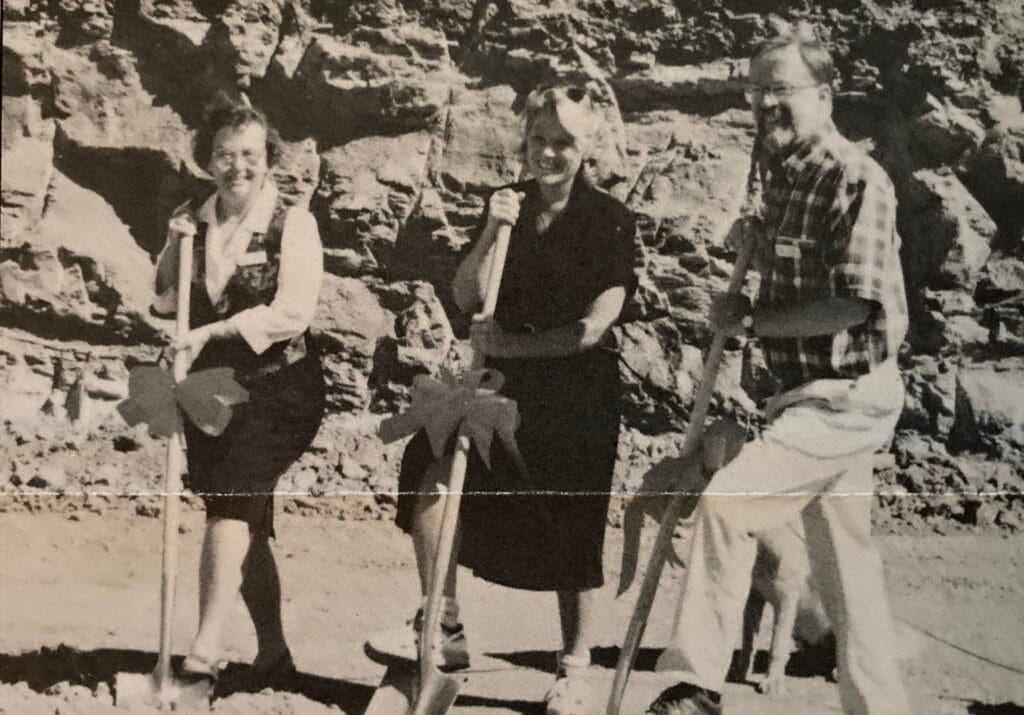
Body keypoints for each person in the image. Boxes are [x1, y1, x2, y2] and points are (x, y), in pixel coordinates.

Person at [645, 22, 913, 715]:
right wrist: (761, 247)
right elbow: (807, 273)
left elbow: (853, 304)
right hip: (803, 396)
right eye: (757, 91)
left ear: (824, 94)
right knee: (848, 575)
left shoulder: (856, 178)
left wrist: (751, 321)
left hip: (845, 398)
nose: (767, 105)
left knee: (729, 505)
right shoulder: (787, 177)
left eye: (782, 90)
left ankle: (695, 686)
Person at [366, 84, 639, 713]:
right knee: (430, 457)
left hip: (577, 395)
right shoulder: (508, 206)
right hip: (504, 387)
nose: (548, 153)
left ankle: (576, 668)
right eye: (539, 139)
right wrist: (492, 229)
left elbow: (593, 328)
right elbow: (467, 296)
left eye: (563, 142)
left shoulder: (608, 219)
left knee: (573, 524)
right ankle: (441, 622)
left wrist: (512, 345)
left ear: (587, 146)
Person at [151, 99, 326, 685]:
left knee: (231, 504)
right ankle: (274, 654)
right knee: (243, 516)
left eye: (250, 154)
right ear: (208, 160)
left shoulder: (293, 223)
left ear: (268, 159)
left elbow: (293, 313)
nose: (238, 167)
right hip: (214, 397)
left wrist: (212, 332)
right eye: (225, 155)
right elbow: (163, 301)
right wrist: (174, 243)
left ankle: (202, 652)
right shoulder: (193, 219)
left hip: (281, 392)